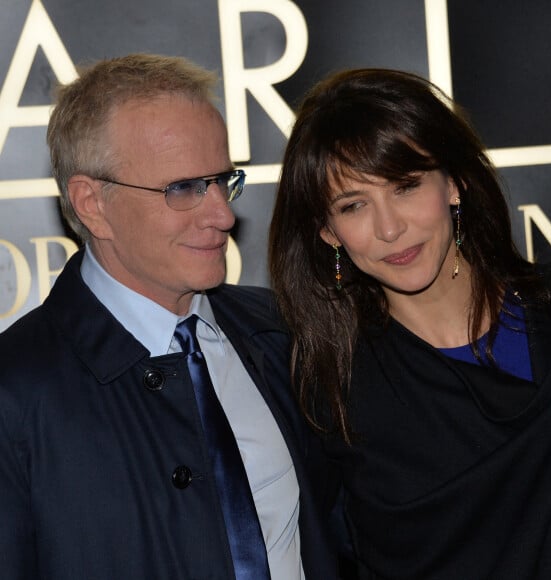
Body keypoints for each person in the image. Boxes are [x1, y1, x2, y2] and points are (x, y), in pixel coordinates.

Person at [0, 53, 337, 580]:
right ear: (91, 204)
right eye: (183, 189)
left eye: (222, 181)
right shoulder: (15, 393)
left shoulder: (281, 334)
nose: (223, 215)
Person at [268, 67, 551, 580]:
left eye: (406, 186)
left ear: (454, 184)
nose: (390, 228)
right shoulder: (330, 393)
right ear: (327, 232)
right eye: (353, 205)